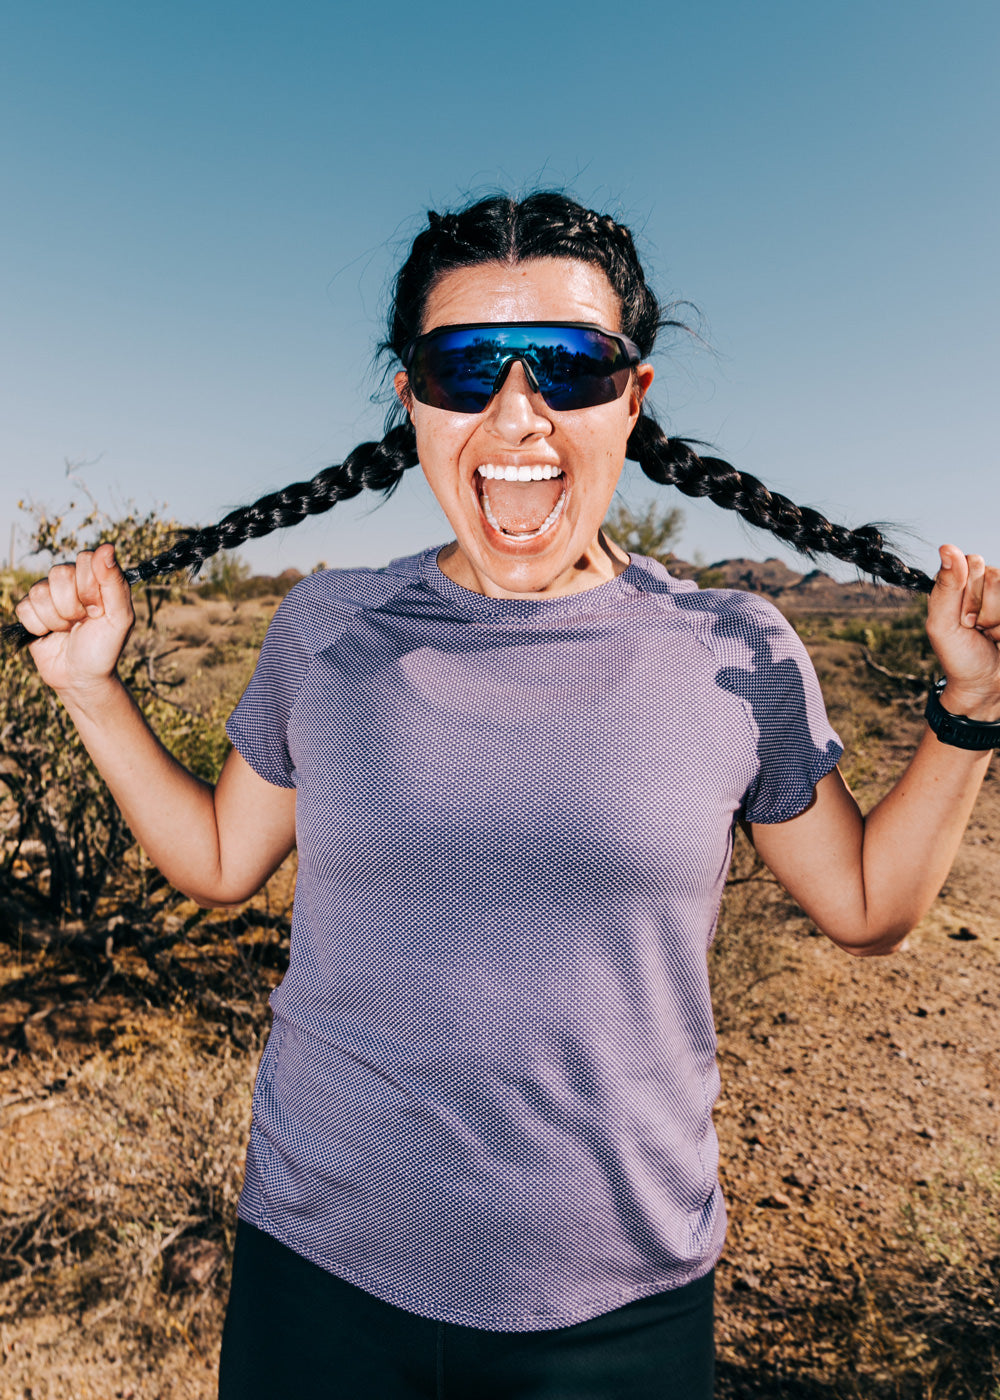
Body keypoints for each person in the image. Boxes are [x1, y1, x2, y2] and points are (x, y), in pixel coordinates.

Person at [10, 192, 1000, 1399]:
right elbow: (219, 859)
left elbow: (868, 905)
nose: (517, 412)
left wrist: (969, 707)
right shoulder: (327, 627)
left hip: (619, 1312)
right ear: (411, 400)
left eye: (571, 366)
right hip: (318, 1275)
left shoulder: (735, 648)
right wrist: (89, 688)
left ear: (632, 398)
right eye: (465, 366)